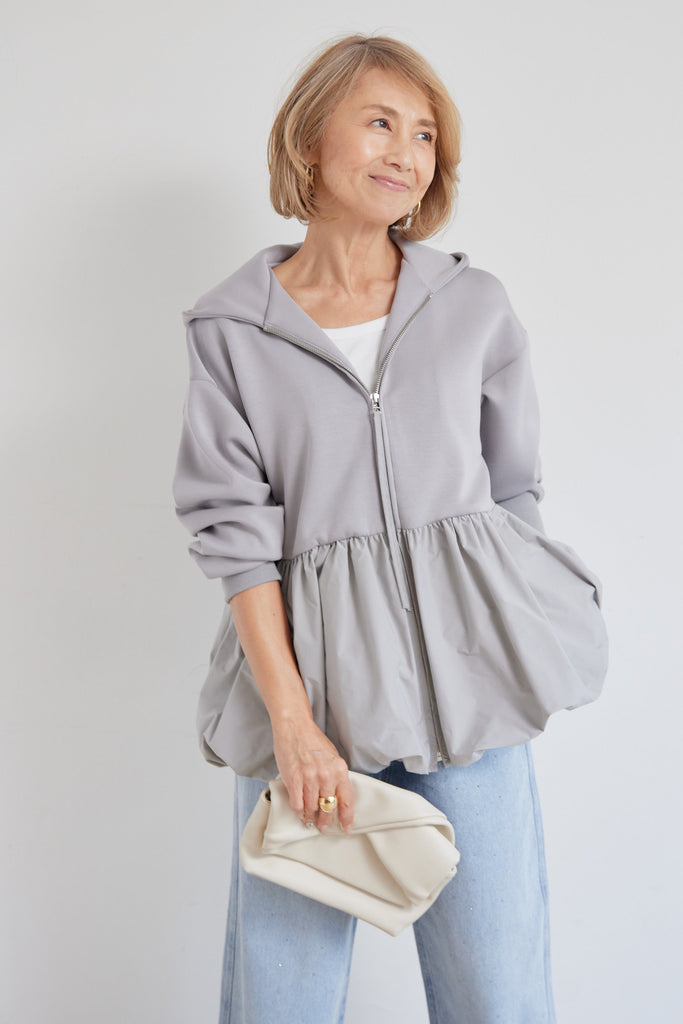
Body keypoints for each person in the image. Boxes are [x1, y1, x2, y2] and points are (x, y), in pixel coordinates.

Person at [172, 33, 608, 1024]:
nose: (405, 152)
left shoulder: (472, 305)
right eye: (378, 122)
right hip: (309, 695)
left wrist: (516, 635)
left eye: (423, 134)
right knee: (281, 999)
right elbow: (235, 534)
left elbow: (512, 494)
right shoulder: (231, 329)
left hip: (470, 692)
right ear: (307, 138)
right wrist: (293, 726)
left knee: (499, 995)